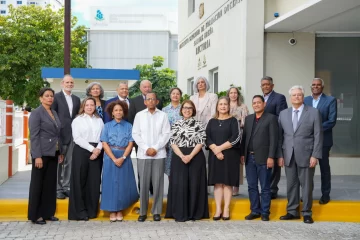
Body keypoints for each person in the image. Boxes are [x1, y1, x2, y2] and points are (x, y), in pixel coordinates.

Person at [278, 85, 323, 224]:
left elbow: (318, 135)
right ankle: (292, 211)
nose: (297, 97)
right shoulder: (283, 113)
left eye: (299, 95)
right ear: (290, 98)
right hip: (288, 154)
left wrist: (315, 155)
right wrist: (280, 155)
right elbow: (280, 136)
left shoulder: (314, 112)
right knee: (291, 184)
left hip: (307, 154)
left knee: (307, 185)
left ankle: (307, 212)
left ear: (303, 97)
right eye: (294, 95)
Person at [165, 100, 209, 222]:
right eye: (185, 107)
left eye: (190, 108)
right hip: (179, 157)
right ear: (181, 109)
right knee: (180, 184)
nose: (187, 110)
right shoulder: (175, 124)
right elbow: (172, 142)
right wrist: (182, 156)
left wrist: (190, 155)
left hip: (195, 156)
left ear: (193, 110)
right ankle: (180, 212)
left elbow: (201, 142)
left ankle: (194, 213)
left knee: (195, 184)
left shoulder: (200, 124)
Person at [132, 92, 170, 222]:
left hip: (159, 154)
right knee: (143, 184)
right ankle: (143, 212)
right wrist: (146, 148)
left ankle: (156, 211)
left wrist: (155, 147)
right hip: (143, 154)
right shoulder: (139, 115)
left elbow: (166, 133)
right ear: (145, 102)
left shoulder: (163, 115)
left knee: (158, 183)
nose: (151, 101)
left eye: (153, 99)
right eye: (148, 99)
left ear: (157, 102)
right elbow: (135, 134)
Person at [28, 87, 64, 225]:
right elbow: (34, 136)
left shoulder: (53, 112)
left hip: (53, 153)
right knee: (38, 185)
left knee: (50, 184)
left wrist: (60, 152)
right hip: (41, 154)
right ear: (41, 98)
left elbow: (57, 134)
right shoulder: (36, 113)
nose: (50, 98)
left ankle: (48, 213)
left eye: (51, 96)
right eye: (47, 96)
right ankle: (36, 215)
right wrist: (37, 156)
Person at [240, 95, 278, 222]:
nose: (256, 105)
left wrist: (271, 156)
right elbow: (244, 138)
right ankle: (255, 210)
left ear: (264, 104)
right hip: (249, 158)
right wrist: (242, 154)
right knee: (251, 186)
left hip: (264, 157)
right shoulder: (249, 118)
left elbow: (274, 140)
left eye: (258, 102)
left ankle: (265, 212)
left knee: (265, 187)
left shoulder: (271, 118)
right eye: (254, 103)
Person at [100, 100, 139, 222]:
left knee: (123, 183)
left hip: (124, 156)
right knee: (110, 184)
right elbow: (104, 143)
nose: (118, 112)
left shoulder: (129, 126)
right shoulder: (106, 126)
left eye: (120, 110)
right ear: (112, 113)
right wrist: (113, 158)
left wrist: (122, 158)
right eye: (116, 110)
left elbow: (131, 143)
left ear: (124, 112)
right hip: (110, 156)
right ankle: (112, 210)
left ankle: (120, 209)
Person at [68, 97, 104, 221]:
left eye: (92, 105)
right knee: (79, 181)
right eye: (87, 105)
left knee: (93, 182)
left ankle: (91, 210)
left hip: (97, 152)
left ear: (95, 107)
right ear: (83, 106)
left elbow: (103, 137)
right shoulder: (77, 120)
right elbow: (77, 138)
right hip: (82, 151)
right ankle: (79, 212)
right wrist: (92, 149)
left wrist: (98, 149)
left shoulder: (99, 120)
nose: (89, 107)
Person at [206, 97, 241, 221]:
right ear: (217, 107)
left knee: (227, 182)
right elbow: (207, 138)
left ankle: (226, 209)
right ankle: (218, 209)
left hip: (230, 156)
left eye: (225, 104)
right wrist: (215, 150)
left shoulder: (233, 121)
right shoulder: (212, 121)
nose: (223, 106)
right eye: (220, 104)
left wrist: (219, 149)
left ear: (228, 106)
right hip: (215, 156)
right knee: (217, 182)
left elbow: (236, 138)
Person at [304, 78, 337, 205]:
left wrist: (315, 129)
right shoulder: (306, 100)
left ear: (322, 87)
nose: (316, 86)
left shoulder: (330, 100)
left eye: (318, 85)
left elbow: (331, 120)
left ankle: (325, 194)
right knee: (307, 170)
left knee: (324, 168)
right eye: (313, 85)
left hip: (324, 140)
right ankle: (307, 195)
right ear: (311, 87)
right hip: (307, 140)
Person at [52, 75, 81, 199]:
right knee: (59, 163)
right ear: (62, 83)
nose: (69, 84)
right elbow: (53, 116)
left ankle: (66, 186)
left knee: (70, 162)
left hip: (72, 136)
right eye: (67, 82)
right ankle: (57, 188)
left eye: (71, 82)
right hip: (59, 136)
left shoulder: (76, 99)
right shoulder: (56, 98)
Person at [261, 76, 288, 200]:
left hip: (275, 133)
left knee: (274, 164)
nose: (265, 86)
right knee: (266, 162)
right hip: (263, 135)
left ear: (272, 86)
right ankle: (266, 188)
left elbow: (281, 116)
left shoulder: (279, 98)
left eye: (267, 84)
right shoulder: (260, 99)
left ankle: (272, 189)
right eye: (263, 84)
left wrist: (268, 124)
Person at [227, 86, 249, 196]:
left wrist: (239, 120)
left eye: (235, 92)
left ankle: (236, 186)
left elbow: (246, 123)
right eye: (231, 93)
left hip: (239, 136)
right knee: (228, 162)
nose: (233, 95)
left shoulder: (243, 107)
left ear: (238, 94)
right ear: (228, 94)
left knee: (237, 162)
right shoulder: (225, 106)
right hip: (226, 137)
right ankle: (228, 186)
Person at [162, 87, 183, 177]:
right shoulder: (164, 110)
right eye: (173, 93)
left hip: (181, 142)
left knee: (181, 167)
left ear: (180, 96)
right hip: (169, 143)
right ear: (170, 95)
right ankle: (172, 190)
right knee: (170, 168)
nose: (175, 95)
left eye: (177, 94)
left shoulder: (184, 108)